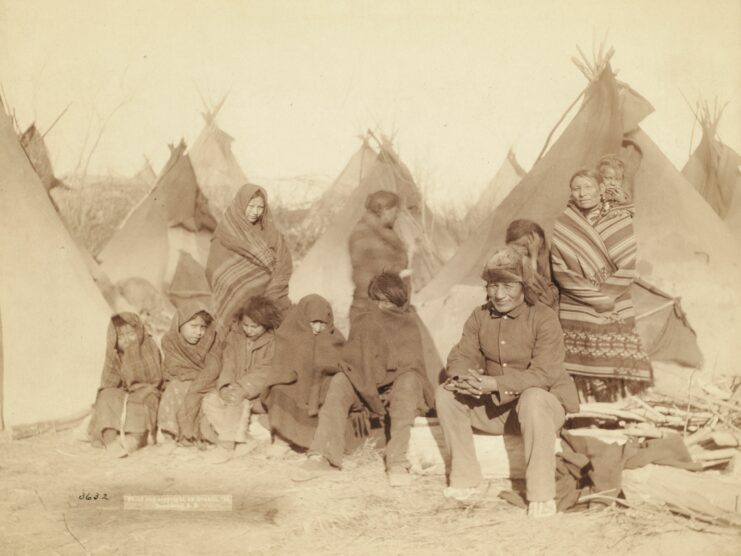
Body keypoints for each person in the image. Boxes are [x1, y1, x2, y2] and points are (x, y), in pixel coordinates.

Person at [435, 247, 579, 518]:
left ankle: (541, 494)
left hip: (542, 411)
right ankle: (465, 480)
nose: (499, 294)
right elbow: (461, 354)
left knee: (534, 397)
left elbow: (544, 374)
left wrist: (493, 384)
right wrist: (463, 378)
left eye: (508, 285)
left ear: (523, 285)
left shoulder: (543, 318)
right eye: (492, 285)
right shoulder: (480, 316)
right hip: (501, 412)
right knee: (446, 392)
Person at [307, 272, 435, 486]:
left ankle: (397, 460)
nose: (382, 307)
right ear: (372, 300)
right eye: (378, 301)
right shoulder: (364, 321)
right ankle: (324, 454)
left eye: (388, 302)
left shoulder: (409, 323)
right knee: (340, 381)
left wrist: (385, 387)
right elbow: (354, 363)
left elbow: (414, 366)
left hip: (398, 388)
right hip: (366, 386)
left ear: (399, 301)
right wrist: (369, 391)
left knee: (409, 382)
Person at [550, 169, 652, 402]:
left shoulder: (619, 219)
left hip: (613, 302)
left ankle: (616, 413)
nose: (582, 193)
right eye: (577, 188)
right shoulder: (564, 223)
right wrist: (590, 296)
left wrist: (605, 296)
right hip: (576, 304)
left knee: (616, 366)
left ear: (601, 188)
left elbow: (627, 263)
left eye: (588, 187)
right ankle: (583, 413)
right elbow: (559, 267)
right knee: (579, 368)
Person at [201, 296, 281, 463]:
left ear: (266, 325)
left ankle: (226, 447)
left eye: (255, 327)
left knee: (236, 401)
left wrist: (243, 387)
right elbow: (228, 363)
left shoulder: (272, 342)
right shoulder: (235, 338)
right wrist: (225, 385)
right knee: (210, 400)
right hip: (234, 387)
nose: (249, 330)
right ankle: (244, 440)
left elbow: (266, 370)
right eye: (246, 325)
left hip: (257, 393)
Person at [262, 295, 345, 451]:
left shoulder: (334, 337)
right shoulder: (288, 333)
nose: (318, 328)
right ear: (302, 318)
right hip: (294, 382)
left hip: (320, 384)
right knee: (279, 390)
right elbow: (281, 365)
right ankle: (282, 439)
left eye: (323, 323)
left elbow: (340, 364)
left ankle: (313, 440)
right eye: (313, 322)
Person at [206, 184, 292, 326]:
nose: (255, 212)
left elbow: (284, 264)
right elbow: (213, 270)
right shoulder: (226, 234)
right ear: (240, 205)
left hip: (272, 297)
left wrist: (271, 291)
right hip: (234, 303)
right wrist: (241, 288)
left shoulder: (271, 234)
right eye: (251, 206)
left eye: (260, 208)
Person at [88, 313, 162, 458]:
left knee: (146, 401)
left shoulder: (149, 346)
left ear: (139, 331)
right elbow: (108, 383)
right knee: (106, 395)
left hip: (146, 391)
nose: (127, 340)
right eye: (121, 337)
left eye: (131, 334)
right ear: (114, 340)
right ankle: (110, 441)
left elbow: (155, 380)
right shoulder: (114, 354)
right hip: (125, 394)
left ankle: (134, 440)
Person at [157, 302, 220, 444]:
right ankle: (171, 434)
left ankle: (193, 435)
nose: (198, 332)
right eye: (193, 326)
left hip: (205, 381)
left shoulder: (211, 341)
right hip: (181, 380)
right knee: (176, 388)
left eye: (202, 327)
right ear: (179, 324)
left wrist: (196, 380)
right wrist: (191, 377)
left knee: (199, 394)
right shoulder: (170, 341)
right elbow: (173, 367)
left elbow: (214, 367)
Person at [348, 190, 412, 325]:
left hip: (388, 308)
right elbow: (368, 274)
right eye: (395, 212)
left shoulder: (383, 231)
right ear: (384, 210)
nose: (397, 216)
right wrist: (399, 272)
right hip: (371, 310)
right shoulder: (363, 234)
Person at [505, 219, 559, 311]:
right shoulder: (509, 261)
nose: (528, 249)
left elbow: (546, 300)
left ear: (540, 243)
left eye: (529, 245)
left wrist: (533, 256)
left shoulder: (550, 260)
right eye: (519, 245)